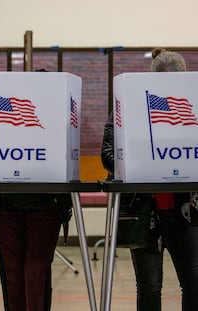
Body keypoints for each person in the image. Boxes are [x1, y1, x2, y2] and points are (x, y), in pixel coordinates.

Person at [101, 48, 198, 311]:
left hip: (187, 211)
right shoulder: (130, 105)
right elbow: (108, 156)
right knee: (149, 286)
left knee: (194, 283)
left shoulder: (193, 106)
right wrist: (139, 158)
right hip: (144, 210)